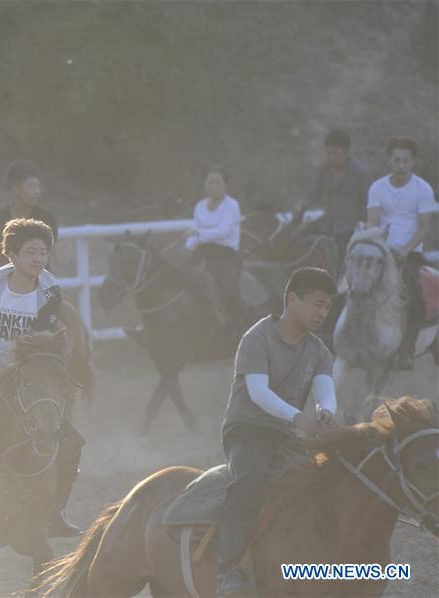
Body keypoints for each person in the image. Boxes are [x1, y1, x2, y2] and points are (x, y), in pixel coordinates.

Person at [0, 218, 82, 537]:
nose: (39, 258)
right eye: (31, 252)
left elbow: (43, 334)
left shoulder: (50, 290)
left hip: (30, 373)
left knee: (73, 441)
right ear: (11, 254)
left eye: (43, 252)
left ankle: (55, 508)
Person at [216, 267, 338, 597]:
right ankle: (228, 571)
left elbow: (326, 391)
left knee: (321, 484)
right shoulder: (257, 337)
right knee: (251, 481)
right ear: (292, 299)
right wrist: (299, 417)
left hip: (285, 435)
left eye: (327, 307)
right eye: (317, 304)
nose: (322, 313)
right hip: (247, 430)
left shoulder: (319, 350)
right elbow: (258, 393)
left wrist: (326, 412)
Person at [366, 137, 437, 370]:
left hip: (410, 253)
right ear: (389, 160)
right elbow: (373, 221)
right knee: (352, 284)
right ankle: (338, 339)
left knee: (416, 295)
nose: (400, 164)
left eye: (405, 160)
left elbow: (424, 226)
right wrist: (379, 247)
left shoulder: (423, 189)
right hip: (380, 250)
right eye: (396, 160)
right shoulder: (377, 188)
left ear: (412, 162)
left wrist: (405, 250)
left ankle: (407, 349)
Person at [294, 128, 372, 261]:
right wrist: (301, 205)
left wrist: (364, 230)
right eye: (329, 153)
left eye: (336, 153)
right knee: (298, 239)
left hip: (350, 227)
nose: (331, 157)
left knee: (342, 258)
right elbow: (313, 192)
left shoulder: (361, 173)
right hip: (327, 222)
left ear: (347, 152)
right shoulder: (324, 168)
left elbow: (370, 204)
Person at [0, 159, 58, 273]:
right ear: (15, 188)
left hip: (37, 282)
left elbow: (48, 256)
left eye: (38, 186)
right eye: (30, 187)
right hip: (4, 284)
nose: (37, 192)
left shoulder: (45, 220)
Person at [184, 167, 245, 333]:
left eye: (217, 182)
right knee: (181, 275)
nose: (212, 186)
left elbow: (222, 232)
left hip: (225, 254)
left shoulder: (232, 206)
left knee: (225, 288)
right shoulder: (200, 206)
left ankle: (232, 324)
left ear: (226, 185)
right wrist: (187, 248)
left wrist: (198, 233)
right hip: (203, 251)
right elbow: (194, 230)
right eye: (209, 182)